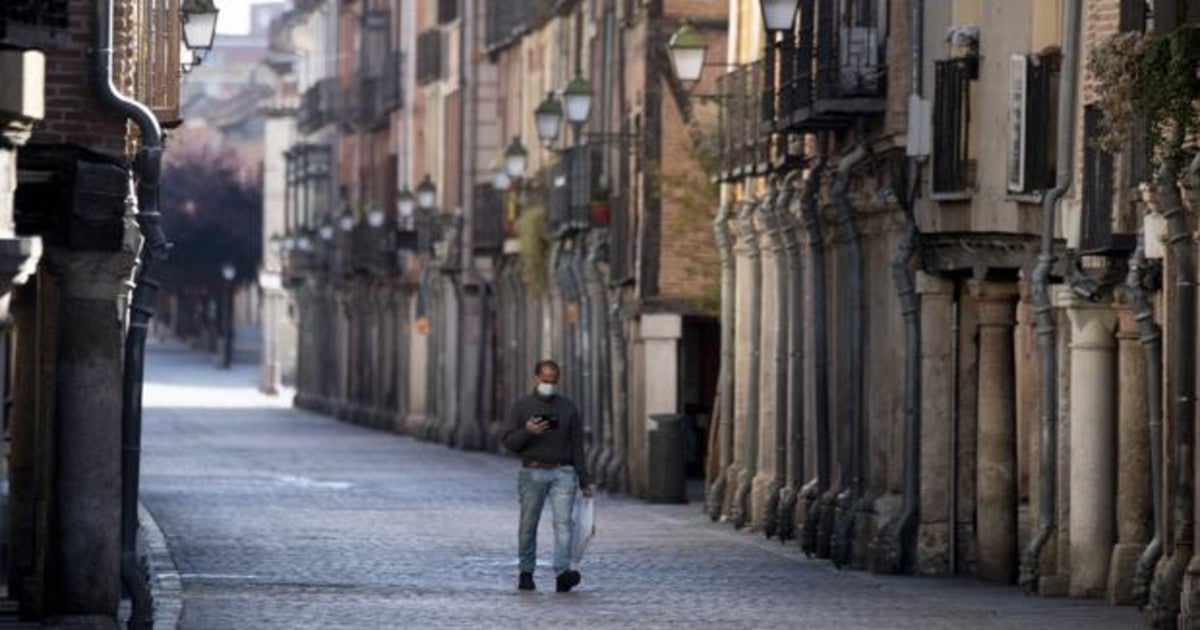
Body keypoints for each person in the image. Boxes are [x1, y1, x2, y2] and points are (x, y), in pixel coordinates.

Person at [502, 359, 593, 593]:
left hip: (563, 472)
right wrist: (527, 432)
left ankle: (563, 572)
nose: (549, 385)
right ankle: (526, 572)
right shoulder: (522, 406)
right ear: (535, 379)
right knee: (528, 524)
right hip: (532, 471)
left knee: (564, 524)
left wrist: (584, 480)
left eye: (553, 381)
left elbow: (576, 445)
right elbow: (509, 442)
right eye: (545, 380)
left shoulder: (568, 407)